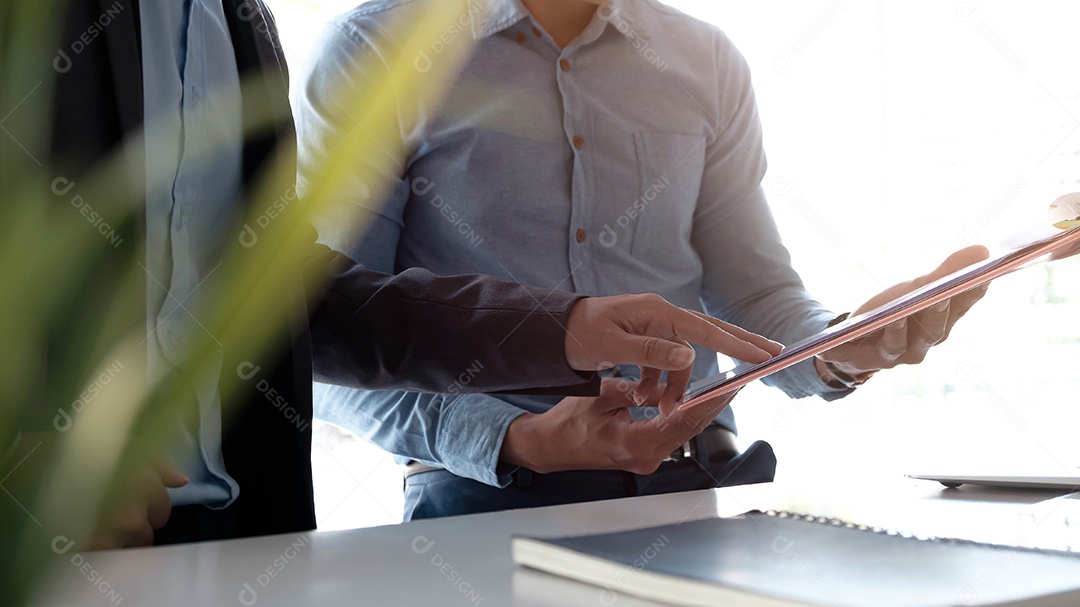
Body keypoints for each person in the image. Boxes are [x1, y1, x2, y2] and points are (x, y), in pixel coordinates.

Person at [30, 0, 782, 549]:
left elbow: (293, 301)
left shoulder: (240, 21)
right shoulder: (370, 44)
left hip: (235, 534)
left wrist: (565, 328)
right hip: (58, 536)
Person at [296, 0, 988, 520]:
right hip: (483, 503)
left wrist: (843, 345)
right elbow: (321, 344)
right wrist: (519, 437)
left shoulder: (704, 59)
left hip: (703, 493)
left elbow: (758, 297)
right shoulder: (376, 52)